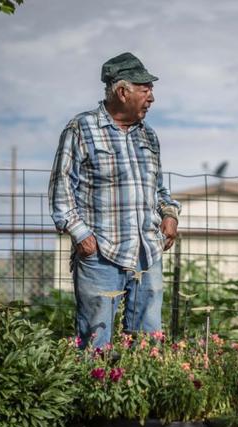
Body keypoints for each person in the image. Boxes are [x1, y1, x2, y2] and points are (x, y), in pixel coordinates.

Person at [48, 52, 180, 349]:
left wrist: (169, 214)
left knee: (148, 343)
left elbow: (158, 188)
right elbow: (61, 189)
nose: (152, 98)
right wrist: (81, 234)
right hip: (100, 253)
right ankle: (94, 392)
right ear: (123, 92)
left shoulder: (148, 136)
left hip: (147, 253)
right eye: (145, 90)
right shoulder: (81, 128)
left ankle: (143, 393)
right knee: (96, 341)